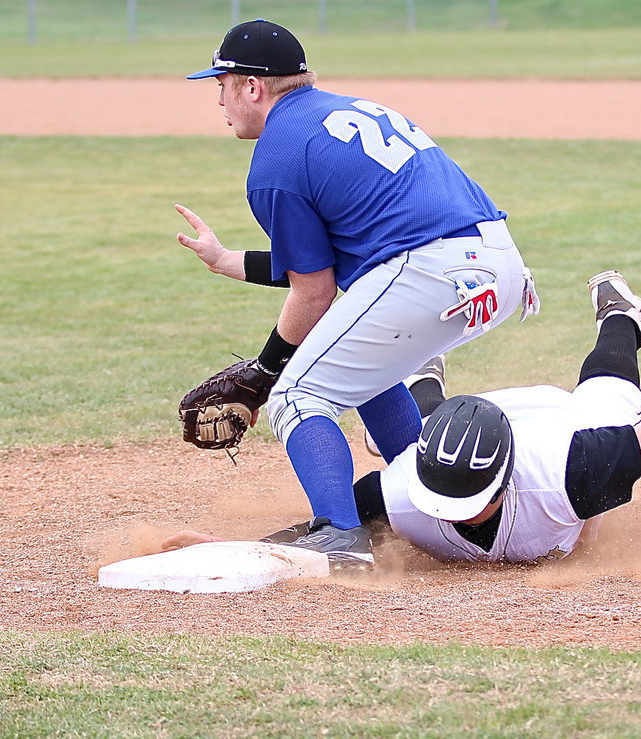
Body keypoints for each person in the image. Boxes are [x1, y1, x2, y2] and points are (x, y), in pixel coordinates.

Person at [173, 19, 535, 571]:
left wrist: (265, 377)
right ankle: (443, 505)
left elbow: (314, 295)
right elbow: (335, 262)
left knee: (299, 396)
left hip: (430, 269)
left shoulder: (276, 157)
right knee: (359, 366)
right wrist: (230, 261)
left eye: (222, 82)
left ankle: (339, 536)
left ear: (253, 87)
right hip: (496, 263)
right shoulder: (340, 112)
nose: (218, 97)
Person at [163, 271, 641, 565]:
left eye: (468, 500)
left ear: (504, 483)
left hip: (553, 425)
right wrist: (237, 550)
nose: (452, 515)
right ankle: (425, 376)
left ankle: (620, 315)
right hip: (474, 425)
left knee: (612, 391)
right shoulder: (408, 489)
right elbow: (325, 535)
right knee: (430, 426)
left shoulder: (571, 466)